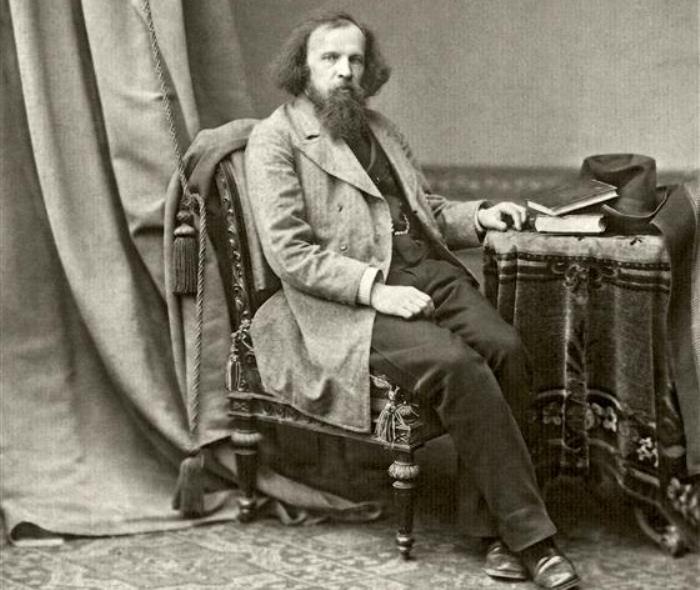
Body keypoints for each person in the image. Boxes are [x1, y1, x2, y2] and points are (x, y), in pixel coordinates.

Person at [190, 11, 580, 590]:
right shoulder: (277, 139)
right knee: (456, 365)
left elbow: (426, 211)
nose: (344, 71)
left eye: (355, 59)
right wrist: (377, 290)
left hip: (425, 271)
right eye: (330, 58)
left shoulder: (380, 129)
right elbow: (291, 253)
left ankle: (491, 528)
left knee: (506, 347)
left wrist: (478, 216)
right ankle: (531, 539)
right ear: (302, 68)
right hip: (344, 300)